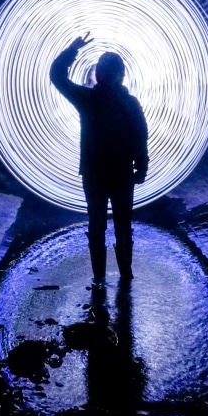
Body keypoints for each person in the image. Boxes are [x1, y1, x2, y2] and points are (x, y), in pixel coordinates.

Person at [50, 33, 148, 284]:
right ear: (122, 75)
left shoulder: (89, 99)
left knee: (97, 225)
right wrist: (141, 168)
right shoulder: (130, 102)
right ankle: (126, 274)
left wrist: (72, 49)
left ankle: (99, 278)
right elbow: (140, 136)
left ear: (98, 74)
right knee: (123, 225)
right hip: (122, 172)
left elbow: (57, 76)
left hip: (94, 173)